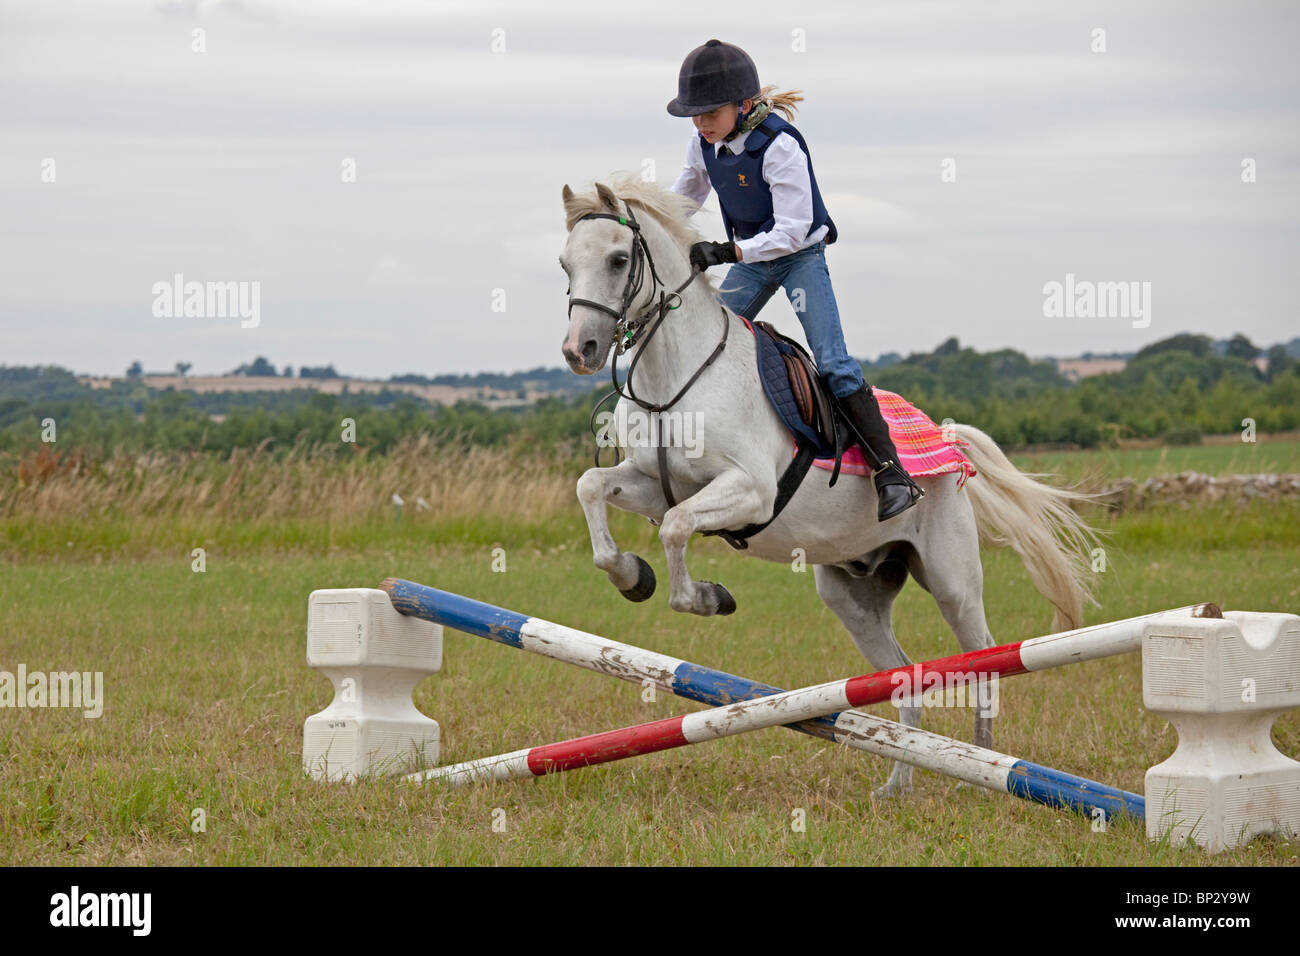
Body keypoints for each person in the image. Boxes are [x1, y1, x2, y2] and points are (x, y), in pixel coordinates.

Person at [667, 38, 922, 521]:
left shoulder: (780, 146)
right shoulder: (703, 143)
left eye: (709, 113)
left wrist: (729, 250)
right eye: (694, 115)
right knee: (701, 341)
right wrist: (651, 223)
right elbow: (687, 194)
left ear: (743, 105)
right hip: (751, 257)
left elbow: (793, 230)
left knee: (833, 363)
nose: (701, 123)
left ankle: (892, 473)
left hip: (799, 258)